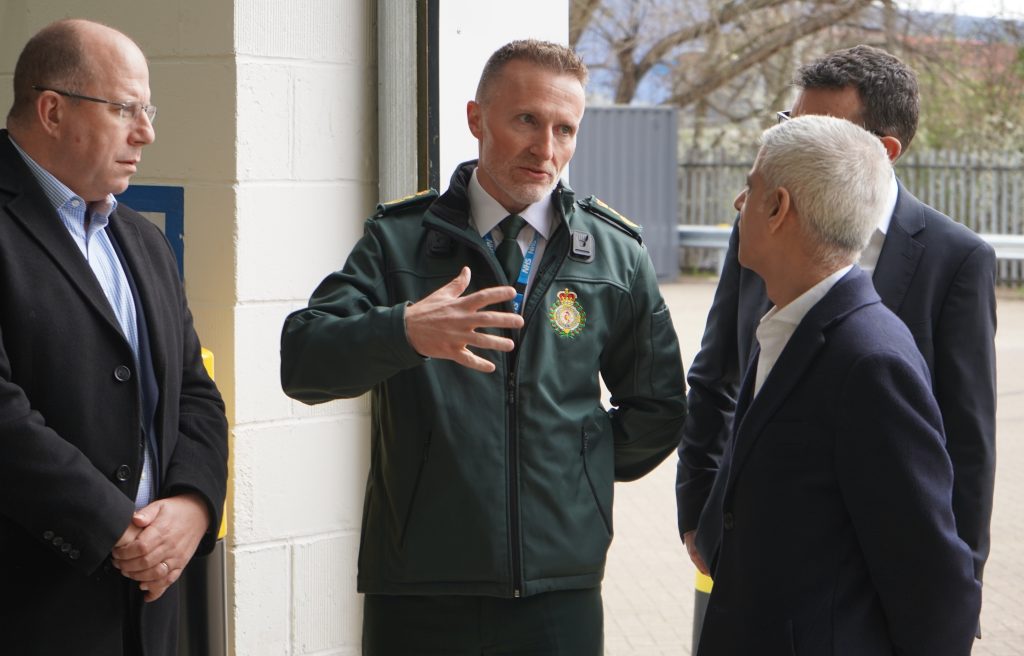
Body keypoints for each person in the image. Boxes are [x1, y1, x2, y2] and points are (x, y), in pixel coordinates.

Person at [281, 39, 686, 654]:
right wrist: (404, 331)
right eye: (526, 120)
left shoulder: (615, 255)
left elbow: (659, 409)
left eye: (564, 129)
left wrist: (576, 465)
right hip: (418, 590)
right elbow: (303, 362)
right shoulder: (398, 243)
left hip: (560, 592)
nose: (545, 150)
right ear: (476, 118)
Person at [677, 45, 996, 597]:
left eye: (816, 131)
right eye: (789, 125)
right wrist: (697, 511)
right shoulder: (761, 221)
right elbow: (715, 376)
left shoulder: (956, 260)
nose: (787, 147)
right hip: (740, 549)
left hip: (869, 564)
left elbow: (968, 443)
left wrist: (958, 590)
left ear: (883, 150)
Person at [0, 19, 229, 656]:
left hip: (148, 613)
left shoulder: (142, 241)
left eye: (146, 110)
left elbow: (194, 392)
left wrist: (192, 506)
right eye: (125, 108)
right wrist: (116, 530)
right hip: (33, 611)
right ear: (51, 110)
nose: (147, 132)